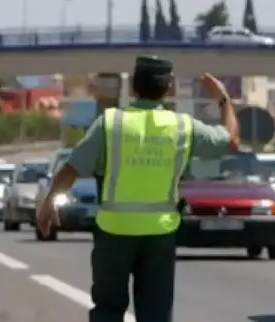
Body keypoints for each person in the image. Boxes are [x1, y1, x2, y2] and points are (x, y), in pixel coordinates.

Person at [36, 56, 241, 322]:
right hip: (160, 234)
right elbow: (232, 141)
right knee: (155, 314)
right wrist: (223, 99)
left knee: (107, 311)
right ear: (168, 88)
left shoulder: (111, 124)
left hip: (114, 233)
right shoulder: (183, 126)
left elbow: (71, 168)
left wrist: (49, 203)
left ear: (133, 85)